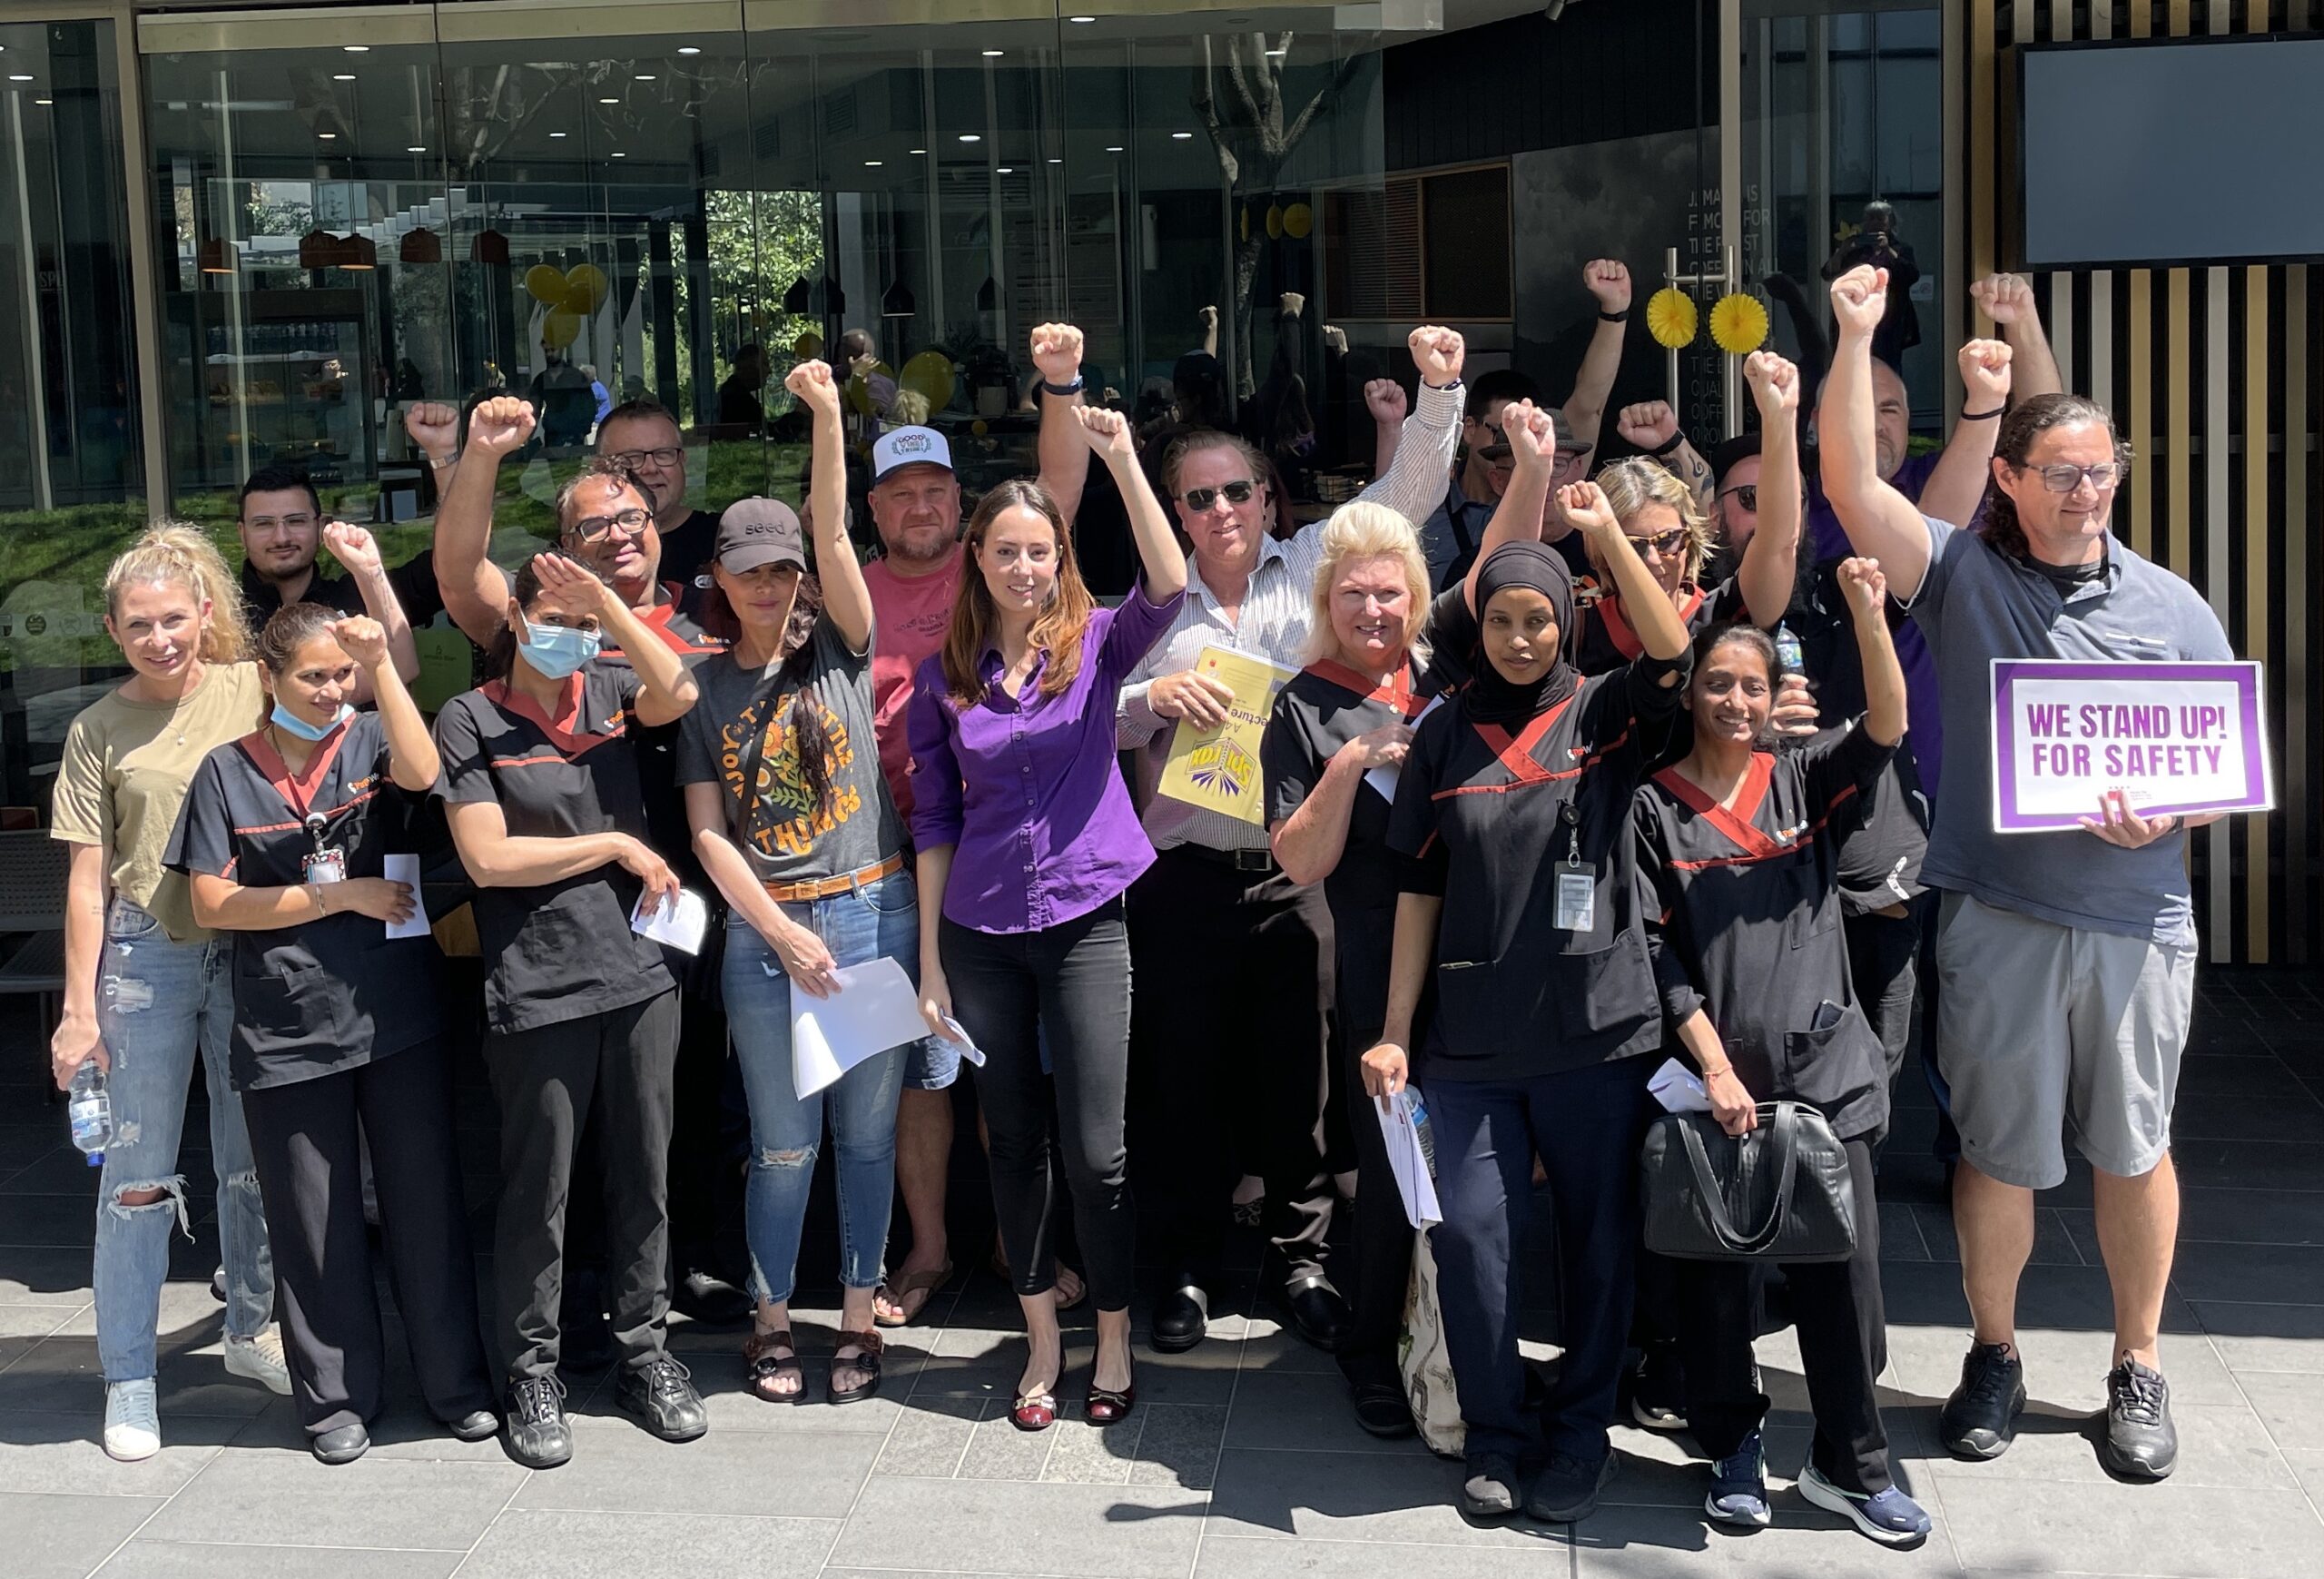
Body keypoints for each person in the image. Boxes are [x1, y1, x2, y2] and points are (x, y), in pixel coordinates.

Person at [1822, 262, 2238, 1483]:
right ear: (2007, 477)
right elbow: (1851, 483)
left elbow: (2216, 773)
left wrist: (2167, 809)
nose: (2085, 490)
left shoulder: (2173, 607)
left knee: (2135, 1147)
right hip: (1999, 915)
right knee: (1996, 1153)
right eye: (2059, 471)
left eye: (2100, 471)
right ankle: (1994, 1352)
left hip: (2138, 919)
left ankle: (2138, 1361)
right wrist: (1856, 335)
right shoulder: (1965, 575)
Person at [1111, 324, 1467, 1357]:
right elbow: (1092, 706)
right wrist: (1149, 695)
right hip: (1179, 871)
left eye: (1237, 492)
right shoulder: (1151, 602)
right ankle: (1179, 1261)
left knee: (1298, 1077)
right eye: (1199, 497)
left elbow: (1406, 497)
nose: (1220, 511)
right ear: (1175, 510)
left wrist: (1437, 394)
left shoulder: (1313, 566)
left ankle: (1301, 1256)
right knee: (1180, 1076)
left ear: (1268, 498)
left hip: (1295, 868)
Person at [1362, 489, 1692, 1526]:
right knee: (1472, 1233)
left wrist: (1598, 537)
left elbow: (1675, 650)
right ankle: (1497, 1432)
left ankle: (1581, 1428)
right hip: (1469, 1040)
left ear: (1568, 618)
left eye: (1538, 618)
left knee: (1598, 1239)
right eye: (1500, 618)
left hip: (1598, 1034)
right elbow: (1416, 887)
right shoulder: (1441, 735)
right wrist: (1394, 1027)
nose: (1518, 637)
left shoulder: (1604, 711)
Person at [1259, 403, 1562, 1436]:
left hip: (1480, 948)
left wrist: (1533, 461)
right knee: (1384, 1162)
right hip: (1371, 954)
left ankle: (1472, 1334)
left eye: (1390, 593)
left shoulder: (1444, 664)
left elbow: (1501, 558)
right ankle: (1370, 1344)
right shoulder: (1301, 704)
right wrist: (1348, 762)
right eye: (1354, 596)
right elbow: (1297, 855)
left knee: (1481, 1155)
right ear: (1326, 602)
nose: (1375, 611)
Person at [1633, 561, 1933, 1547]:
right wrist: (1712, 1066)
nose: (1732, 699)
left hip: (1823, 1082)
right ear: (1691, 691)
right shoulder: (1653, 808)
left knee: (1841, 1278)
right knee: (1716, 1283)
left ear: (1774, 698)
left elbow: (1885, 720)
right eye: (1715, 682)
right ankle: (1730, 1446)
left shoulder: (1803, 779)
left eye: (1750, 685)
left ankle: (1853, 1464)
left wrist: (1865, 614)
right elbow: (1658, 956)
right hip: (1715, 1089)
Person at [428, 398, 746, 1326]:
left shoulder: (695, 610)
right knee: (580, 1115)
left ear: (661, 525)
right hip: (567, 902)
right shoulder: (547, 622)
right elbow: (458, 575)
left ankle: (690, 1263)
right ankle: (591, 1285)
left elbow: (686, 691)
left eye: (630, 519)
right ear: (561, 547)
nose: (616, 535)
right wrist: (479, 456)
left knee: (684, 1091)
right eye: (591, 526)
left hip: (693, 882)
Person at [907, 404, 1189, 1433]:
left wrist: (1121, 459)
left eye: (1042, 551)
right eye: (1008, 551)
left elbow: (1169, 583)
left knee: (1096, 1149)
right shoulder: (944, 680)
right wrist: (934, 959)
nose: (1026, 568)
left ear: (1058, 557)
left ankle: (1110, 1330)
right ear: (976, 558)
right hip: (980, 928)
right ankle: (1039, 1338)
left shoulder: (1099, 646)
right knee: (1011, 1140)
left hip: (1084, 921)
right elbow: (933, 818)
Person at [171, 605, 496, 1465]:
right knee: (312, 1223)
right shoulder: (225, 772)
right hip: (286, 1025)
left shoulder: (370, 743)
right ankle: (335, 1402)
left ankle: (455, 1385)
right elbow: (212, 902)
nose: (330, 690)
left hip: (395, 1015)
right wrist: (336, 896)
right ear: (269, 677)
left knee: (425, 1206)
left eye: (339, 673)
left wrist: (378, 666)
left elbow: (425, 775)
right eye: (313, 675)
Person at [432, 549, 706, 1469]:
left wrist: (612, 610)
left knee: (644, 1174)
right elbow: (488, 859)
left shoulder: (612, 692)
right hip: (539, 979)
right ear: (514, 616)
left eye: (583, 624)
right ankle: (532, 1368)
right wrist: (617, 842)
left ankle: (644, 1352)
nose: (570, 638)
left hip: (638, 973)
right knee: (538, 1187)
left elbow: (678, 689)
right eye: (554, 618)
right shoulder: (469, 716)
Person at [681, 360, 912, 1406]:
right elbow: (708, 834)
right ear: (721, 579)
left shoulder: (845, 652)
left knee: (868, 1137)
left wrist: (827, 417)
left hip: (871, 908)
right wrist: (776, 929)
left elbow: (831, 529)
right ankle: (772, 1316)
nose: (771, 586)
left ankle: (860, 1315)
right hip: (766, 932)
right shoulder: (701, 687)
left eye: (783, 571)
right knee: (782, 1142)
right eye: (750, 572)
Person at [864, 325, 1096, 1329]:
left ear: (960, 506)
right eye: (899, 494)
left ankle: (1022, 1239)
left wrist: (1060, 385)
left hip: (1007, 855)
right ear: (874, 512)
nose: (919, 507)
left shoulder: (999, 568)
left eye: (934, 492)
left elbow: (1056, 484)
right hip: (886, 854)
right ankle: (926, 1246)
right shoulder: (851, 592)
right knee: (924, 1064)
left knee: (1019, 1062)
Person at [49, 526, 286, 1463]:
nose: (160, 638)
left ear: (203, 614)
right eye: (140, 624)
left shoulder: (247, 687)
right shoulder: (96, 728)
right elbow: (84, 879)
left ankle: (250, 1327)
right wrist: (77, 1010)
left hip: (253, 944)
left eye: (174, 619)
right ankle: (131, 1375)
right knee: (136, 1175)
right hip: (144, 959)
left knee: (255, 1155)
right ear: (114, 628)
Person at [1571, 352, 1805, 679]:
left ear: (1691, 538)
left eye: (1668, 540)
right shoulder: (1576, 633)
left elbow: (1779, 543)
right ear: (1603, 552)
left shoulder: (1720, 617)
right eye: (1634, 546)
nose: (1654, 560)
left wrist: (1779, 418)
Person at [1403, 260, 1631, 590]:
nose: (1543, 476)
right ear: (1499, 479)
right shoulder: (1469, 560)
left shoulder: (1604, 550)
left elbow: (1589, 402)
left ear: (1578, 467)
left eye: (1556, 464)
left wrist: (1615, 310)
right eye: (1508, 432)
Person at [235, 464, 438, 665]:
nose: (281, 538)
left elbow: (447, 571)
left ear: (321, 526)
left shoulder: (366, 597)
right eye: (263, 524)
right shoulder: (220, 618)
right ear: (242, 534)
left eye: (296, 521)